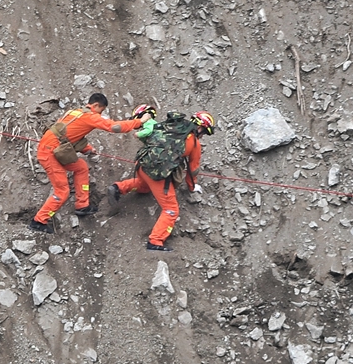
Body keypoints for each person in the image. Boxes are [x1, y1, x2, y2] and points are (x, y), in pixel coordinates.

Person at [31, 94, 147, 233]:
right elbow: (114, 127)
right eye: (101, 110)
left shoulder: (75, 112)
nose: (101, 114)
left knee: (81, 167)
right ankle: (39, 221)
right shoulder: (90, 116)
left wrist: (88, 149)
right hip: (50, 154)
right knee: (62, 191)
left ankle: (82, 205)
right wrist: (140, 122)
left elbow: (69, 135)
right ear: (96, 105)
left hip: (52, 149)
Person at [108, 110, 215, 251]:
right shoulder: (194, 142)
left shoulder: (170, 126)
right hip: (157, 175)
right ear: (200, 127)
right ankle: (156, 241)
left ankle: (118, 188)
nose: (203, 135)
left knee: (145, 186)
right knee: (171, 209)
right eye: (204, 132)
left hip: (142, 165)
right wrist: (191, 186)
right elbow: (192, 169)